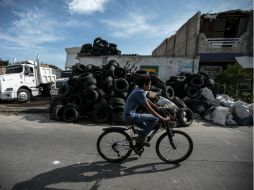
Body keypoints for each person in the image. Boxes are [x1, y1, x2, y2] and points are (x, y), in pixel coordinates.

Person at [123, 75, 170, 147]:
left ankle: (139, 141)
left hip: (130, 114)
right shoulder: (140, 92)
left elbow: (146, 100)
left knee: (146, 127)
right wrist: (162, 118)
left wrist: (156, 107)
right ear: (145, 84)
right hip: (130, 116)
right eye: (149, 84)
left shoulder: (139, 89)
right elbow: (148, 108)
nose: (150, 86)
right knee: (155, 118)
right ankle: (140, 138)